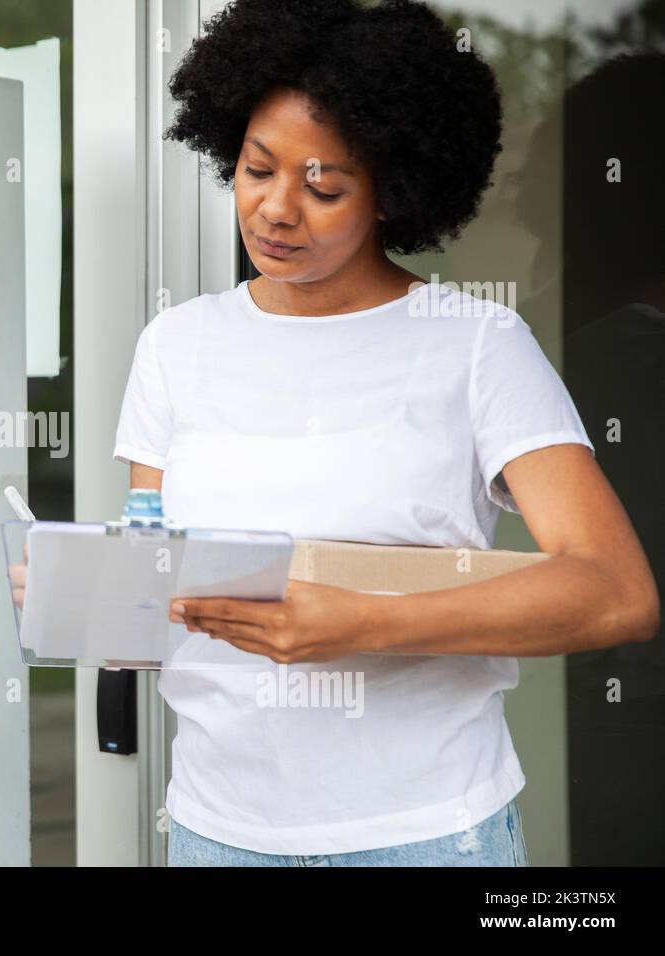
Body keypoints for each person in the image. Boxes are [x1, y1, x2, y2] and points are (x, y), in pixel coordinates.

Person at [111, 0, 658, 866]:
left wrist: (361, 623)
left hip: (425, 834)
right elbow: (154, 575)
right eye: (257, 170)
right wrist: (88, 598)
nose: (277, 210)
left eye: (324, 187)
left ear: (391, 195)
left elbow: (615, 593)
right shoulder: (175, 346)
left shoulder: (476, 346)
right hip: (215, 830)